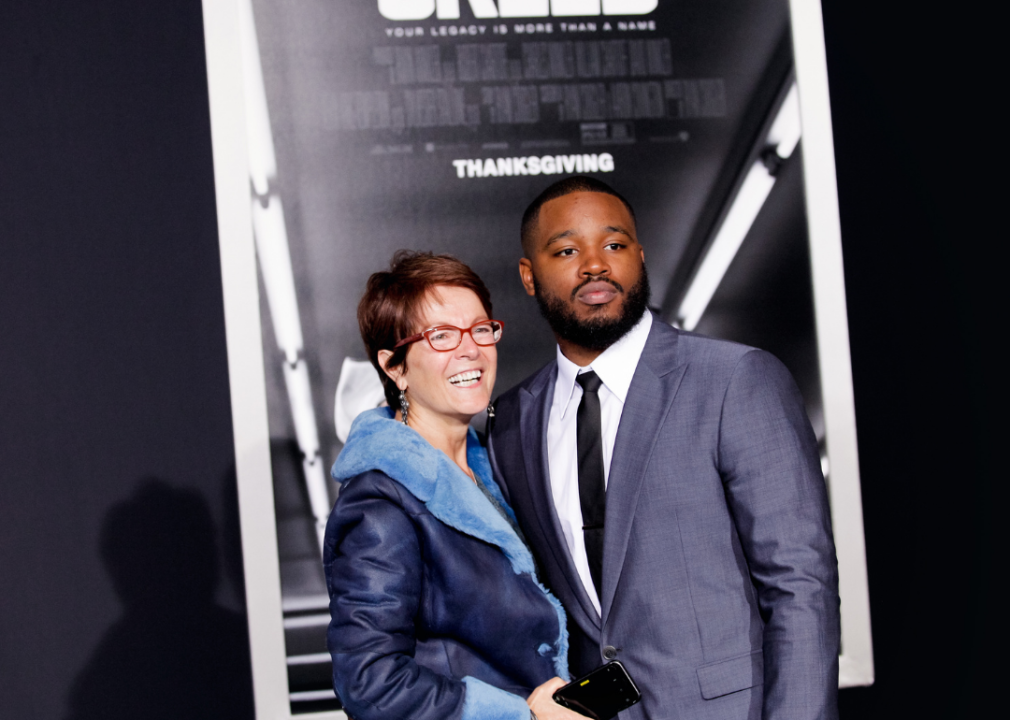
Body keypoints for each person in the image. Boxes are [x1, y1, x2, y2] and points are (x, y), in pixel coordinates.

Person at [487, 177, 841, 720]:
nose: (595, 265)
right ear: (529, 277)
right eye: (566, 250)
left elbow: (801, 585)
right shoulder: (511, 421)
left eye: (614, 244)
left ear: (640, 256)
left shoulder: (733, 380)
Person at [323, 251, 586, 720]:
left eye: (480, 328)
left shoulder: (500, 464)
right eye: (441, 336)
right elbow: (369, 681)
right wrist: (521, 717)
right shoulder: (380, 500)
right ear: (394, 367)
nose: (471, 349)